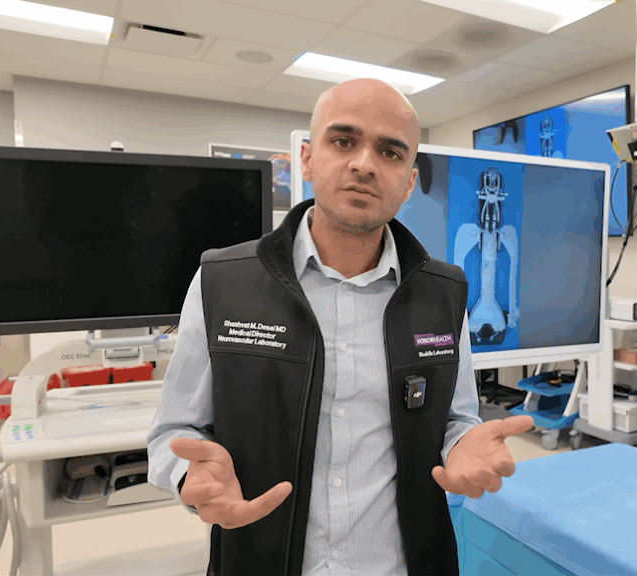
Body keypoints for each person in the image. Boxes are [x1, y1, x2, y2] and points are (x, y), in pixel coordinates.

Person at [147, 77, 535, 576]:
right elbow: (172, 432)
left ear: (409, 181)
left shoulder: (444, 292)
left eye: (391, 152)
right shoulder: (225, 281)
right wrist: (188, 475)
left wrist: (462, 445)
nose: (365, 164)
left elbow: (456, 419)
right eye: (344, 141)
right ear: (307, 159)